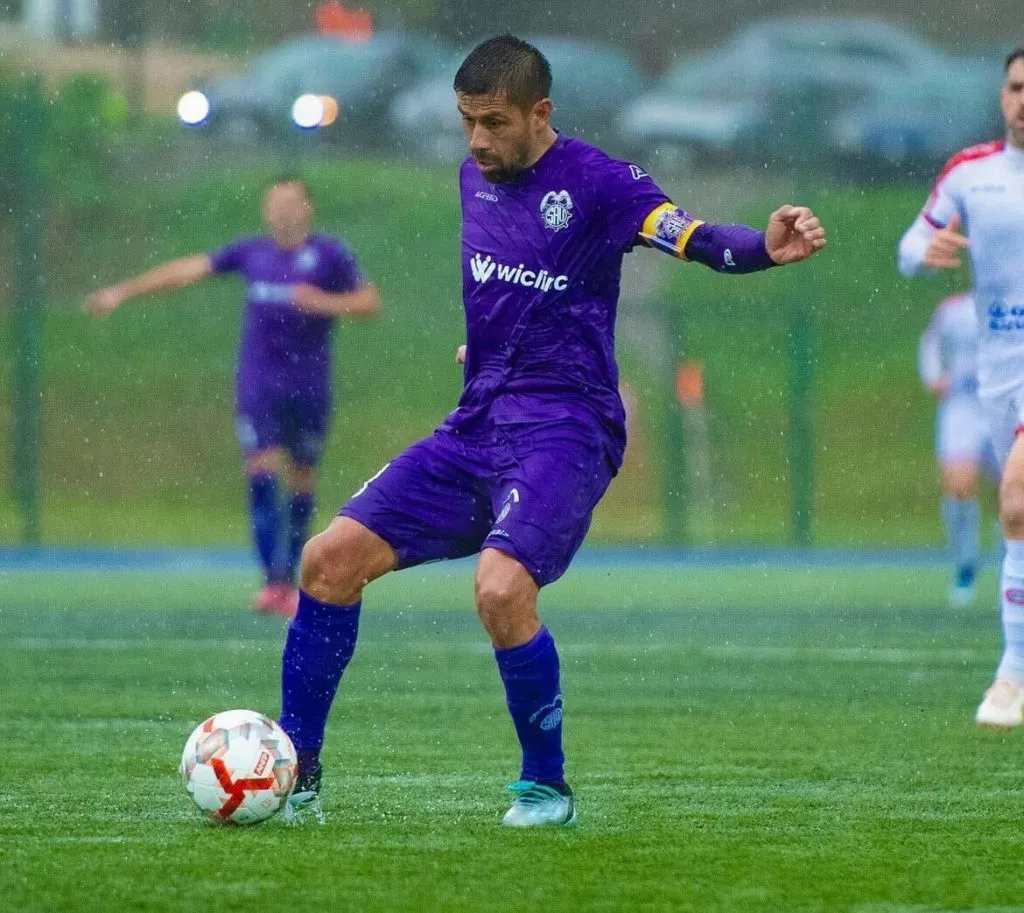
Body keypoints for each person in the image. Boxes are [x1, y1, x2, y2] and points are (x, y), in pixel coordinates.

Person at [280, 34, 825, 827]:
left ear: (540, 113)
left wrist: (763, 250)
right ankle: (296, 774)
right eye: (467, 121)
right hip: (476, 421)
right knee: (326, 560)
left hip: (565, 429)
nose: (477, 140)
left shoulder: (602, 183)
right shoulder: (476, 177)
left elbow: (693, 236)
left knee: (500, 588)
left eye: (495, 122)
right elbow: (512, 288)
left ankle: (546, 788)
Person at [85, 177, 380, 616]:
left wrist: (322, 302)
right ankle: (273, 583)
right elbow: (185, 271)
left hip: (309, 385)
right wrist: (122, 292)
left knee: (302, 478)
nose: (282, 212)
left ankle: (294, 577)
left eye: (290, 203)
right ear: (264, 211)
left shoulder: (329, 254)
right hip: (259, 384)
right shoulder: (251, 253)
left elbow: (369, 302)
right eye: (273, 204)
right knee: (260, 470)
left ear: (307, 208)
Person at [898, 48, 1024, 728]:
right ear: (1002, 95)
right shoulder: (971, 174)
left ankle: (1011, 675)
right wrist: (927, 250)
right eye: (1015, 86)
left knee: (1014, 503)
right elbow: (909, 245)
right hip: (995, 381)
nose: (1023, 99)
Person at [918, 290, 996, 606]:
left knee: (1011, 493)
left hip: (1003, 404)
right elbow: (931, 343)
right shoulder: (953, 309)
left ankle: (1012, 566)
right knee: (958, 487)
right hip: (962, 406)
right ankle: (965, 566)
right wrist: (933, 376)